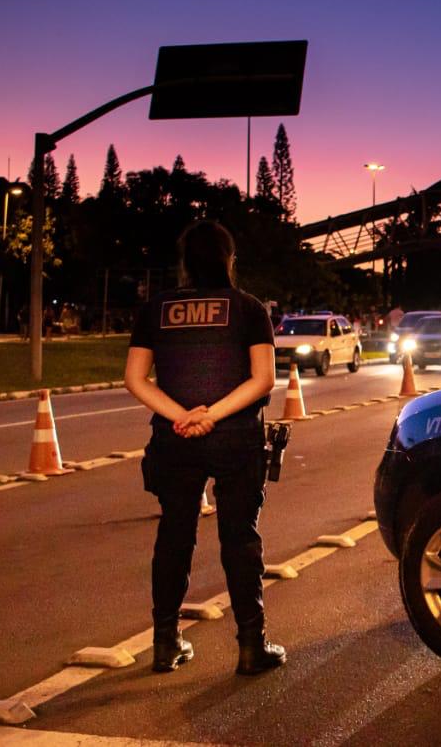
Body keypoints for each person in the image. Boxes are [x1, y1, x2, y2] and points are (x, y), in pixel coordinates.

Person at [125, 220, 285, 676]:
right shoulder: (249, 308)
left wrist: (180, 416)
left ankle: (164, 643)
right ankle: (252, 646)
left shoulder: (155, 309)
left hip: (174, 441)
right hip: (236, 439)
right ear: (229, 259)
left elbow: (135, 379)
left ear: (185, 264)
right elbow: (263, 379)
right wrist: (213, 415)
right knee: (240, 538)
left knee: (174, 535)